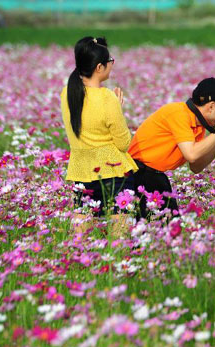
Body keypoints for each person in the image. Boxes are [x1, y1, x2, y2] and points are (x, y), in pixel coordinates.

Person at [128, 77, 215, 219]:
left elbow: (196, 166)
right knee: (156, 229)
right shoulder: (179, 114)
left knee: (168, 228)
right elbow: (192, 154)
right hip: (138, 175)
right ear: (211, 106)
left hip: (155, 176)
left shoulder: (198, 124)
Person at [61, 36, 138, 233]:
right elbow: (123, 144)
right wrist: (117, 109)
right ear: (99, 68)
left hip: (81, 170)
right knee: (120, 239)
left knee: (79, 239)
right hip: (113, 171)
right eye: (110, 61)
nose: (112, 65)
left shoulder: (67, 93)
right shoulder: (107, 98)